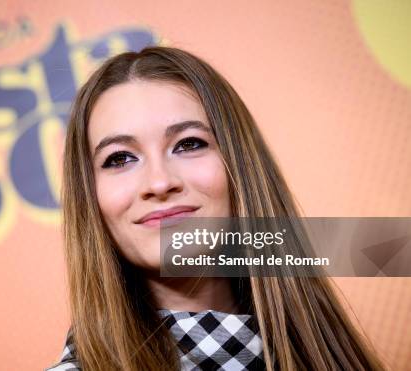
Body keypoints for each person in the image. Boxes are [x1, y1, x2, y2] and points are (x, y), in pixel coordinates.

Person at [46, 46, 384, 371]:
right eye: (120, 158)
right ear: (89, 197)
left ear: (240, 167)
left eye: (189, 144)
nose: (160, 183)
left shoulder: (327, 351)